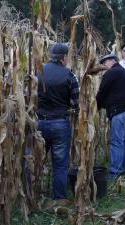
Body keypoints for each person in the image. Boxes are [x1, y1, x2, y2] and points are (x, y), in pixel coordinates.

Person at [37, 43, 79, 200]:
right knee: (60, 165)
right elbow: (77, 102)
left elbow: (30, 98)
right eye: (67, 56)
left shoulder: (38, 72)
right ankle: (59, 198)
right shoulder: (69, 75)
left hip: (40, 123)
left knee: (36, 161)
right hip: (60, 123)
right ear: (64, 57)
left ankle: (32, 197)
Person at [96, 53, 125, 180]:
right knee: (122, 141)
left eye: (104, 62)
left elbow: (102, 91)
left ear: (112, 61)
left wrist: (95, 106)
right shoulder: (123, 72)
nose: (103, 65)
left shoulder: (112, 72)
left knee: (117, 142)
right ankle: (122, 169)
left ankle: (115, 172)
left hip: (119, 111)